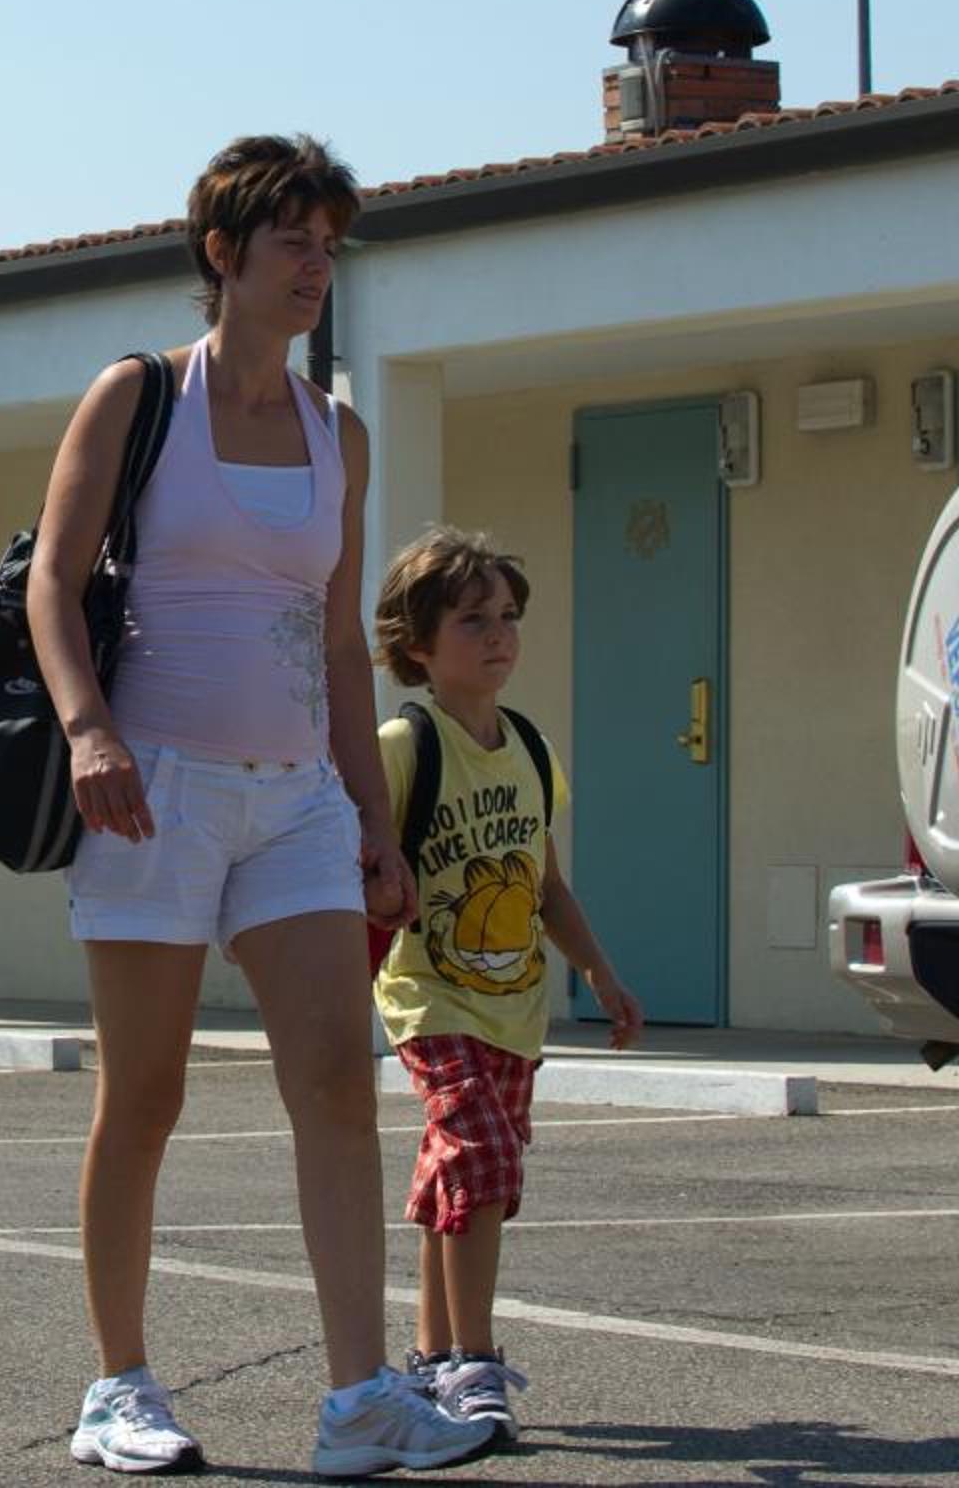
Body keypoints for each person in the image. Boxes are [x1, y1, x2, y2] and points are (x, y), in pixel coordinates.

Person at [31, 134, 486, 1478]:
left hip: (296, 799)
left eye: (330, 245)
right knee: (145, 1094)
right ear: (223, 252)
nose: (316, 266)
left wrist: (375, 822)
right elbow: (53, 581)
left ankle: (360, 1402)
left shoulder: (338, 432)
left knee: (339, 1080)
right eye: (294, 240)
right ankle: (118, 1385)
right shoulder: (137, 397)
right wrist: (89, 731)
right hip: (152, 791)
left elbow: (340, 644)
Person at [369, 527, 645, 1450]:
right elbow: (356, 856)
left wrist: (598, 970)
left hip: (513, 1006)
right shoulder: (404, 746)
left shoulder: (528, 747)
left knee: (458, 1172)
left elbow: (545, 882)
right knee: (482, 1155)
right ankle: (475, 1363)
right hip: (430, 996)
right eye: (472, 619)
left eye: (508, 616)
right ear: (417, 644)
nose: (498, 635)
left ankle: (430, 1355)